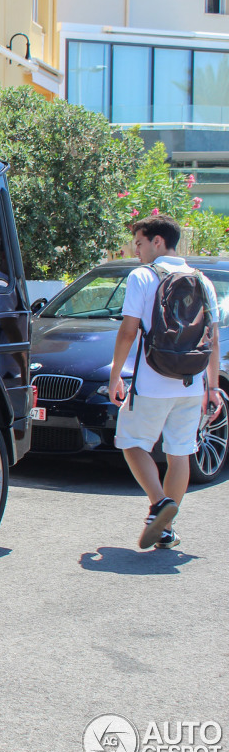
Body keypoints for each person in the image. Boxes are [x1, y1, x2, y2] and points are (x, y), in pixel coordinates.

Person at [109, 215, 223, 550]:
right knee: (180, 453)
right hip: (191, 382)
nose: (137, 250)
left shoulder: (142, 276)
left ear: (158, 241)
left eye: (140, 243)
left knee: (130, 442)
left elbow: (129, 330)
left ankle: (159, 504)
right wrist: (212, 388)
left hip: (153, 380)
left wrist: (117, 375)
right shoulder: (203, 280)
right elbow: (212, 339)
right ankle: (167, 529)